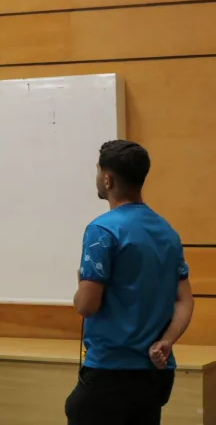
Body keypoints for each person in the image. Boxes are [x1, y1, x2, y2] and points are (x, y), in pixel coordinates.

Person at [65, 140, 194, 425]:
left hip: (110, 373)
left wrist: (80, 286)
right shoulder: (167, 231)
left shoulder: (102, 229)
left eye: (99, 171)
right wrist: (167, 341)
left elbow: (86, 305)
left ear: (107, 179)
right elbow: (184, 299)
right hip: (155, 375)